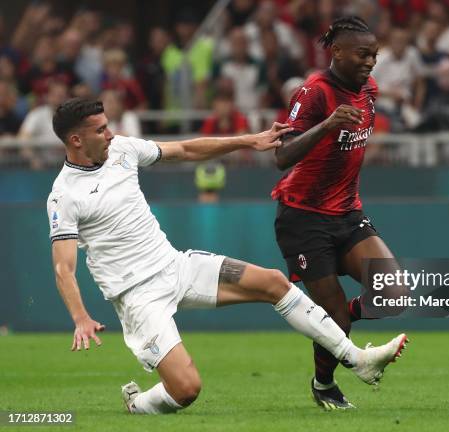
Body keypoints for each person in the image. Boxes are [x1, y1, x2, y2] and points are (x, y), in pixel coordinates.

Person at [47, 97, 407, 415]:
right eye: (100, 130)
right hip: (137, 296)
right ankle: (137, 403)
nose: (110, 134)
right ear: (76, 140)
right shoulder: (65, 195)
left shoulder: (123, 150)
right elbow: (64, 268)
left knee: (273, 283)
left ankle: (357, 359)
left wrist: (250, 141)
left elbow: (186, 150)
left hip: (176, 266)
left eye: (108, 126)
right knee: (186, 390)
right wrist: (80, 317)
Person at [271, 16, 406, 411]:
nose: (370, 62)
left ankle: (331, 324)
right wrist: (329, 125)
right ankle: (324, 383)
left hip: (347, 212)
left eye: (374, 55)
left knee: (393, 294)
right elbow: (282, 156)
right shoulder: (313, 93)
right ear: (337, 51)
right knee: (337, 320)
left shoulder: (369, 89)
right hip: (303, 218)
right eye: (363, 54)